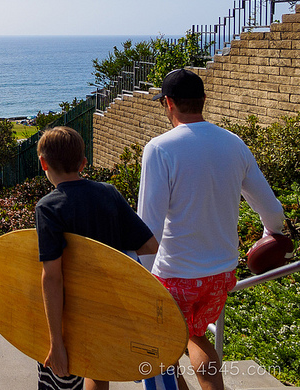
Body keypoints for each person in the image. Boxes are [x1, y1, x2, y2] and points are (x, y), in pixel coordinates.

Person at [138, 68, 286, 390]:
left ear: (168, 103)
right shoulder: (233, 144)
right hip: (220, 274)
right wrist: (268, 236)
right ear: (203, 100)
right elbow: (273, 212)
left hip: (173, 274)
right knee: (195, 335)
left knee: (163, 349)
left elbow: (148, 225)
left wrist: (144, 283)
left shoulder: (160, 149)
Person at [36, 127, 158, 390]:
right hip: (108, 306)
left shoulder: (48, 206)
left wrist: (55, 342)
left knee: (61, 380)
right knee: (98, 371)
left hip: (71, 313)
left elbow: (53, 276)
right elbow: (149, 245)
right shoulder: (108, 193)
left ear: (43, 163)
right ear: (83, 163)